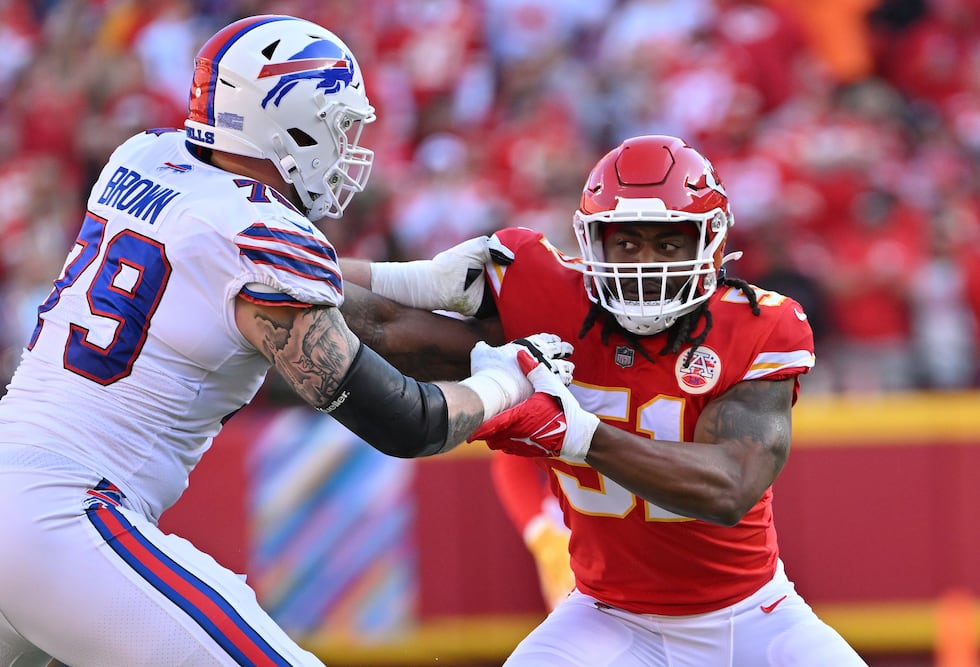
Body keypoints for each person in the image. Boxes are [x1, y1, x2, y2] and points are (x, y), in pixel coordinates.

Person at [0, 15, 573, 667]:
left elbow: (241, 267)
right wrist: (509, 382)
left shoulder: (145, 156)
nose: (347, 147)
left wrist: (420, 280)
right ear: (288, 125)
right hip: (67, 515)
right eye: (336, 126)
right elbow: (404, 422)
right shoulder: (261, 236)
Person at [343, 135, 867, 665]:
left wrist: (577, 435)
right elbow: (388, 328)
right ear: (593, 243)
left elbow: (729, 488)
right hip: (606, 615)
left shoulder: (760, 325)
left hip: (750, 617)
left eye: (668, 244)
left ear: (709, 241)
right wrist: (280, 261)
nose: (644, 266)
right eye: (627, 243)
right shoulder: (551, 300)